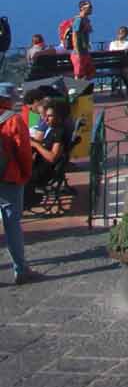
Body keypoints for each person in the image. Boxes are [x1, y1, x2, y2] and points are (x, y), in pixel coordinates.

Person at [0, 84, 38, 284]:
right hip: (9, 177)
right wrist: (25, 174)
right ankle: (20, 269)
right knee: (12, 223)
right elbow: (24, 152)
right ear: (8, 99)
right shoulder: (14, 120)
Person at [25, 96, 74, 212]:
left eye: (50, 116)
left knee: (11, 173)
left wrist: (36, 145)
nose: (45, 120)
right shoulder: (55, 129)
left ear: (59, 116)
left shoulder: (59, 132)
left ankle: (25, 200)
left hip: (44, 172)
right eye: (45, 116)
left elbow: (52, 157)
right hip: (43, 168)